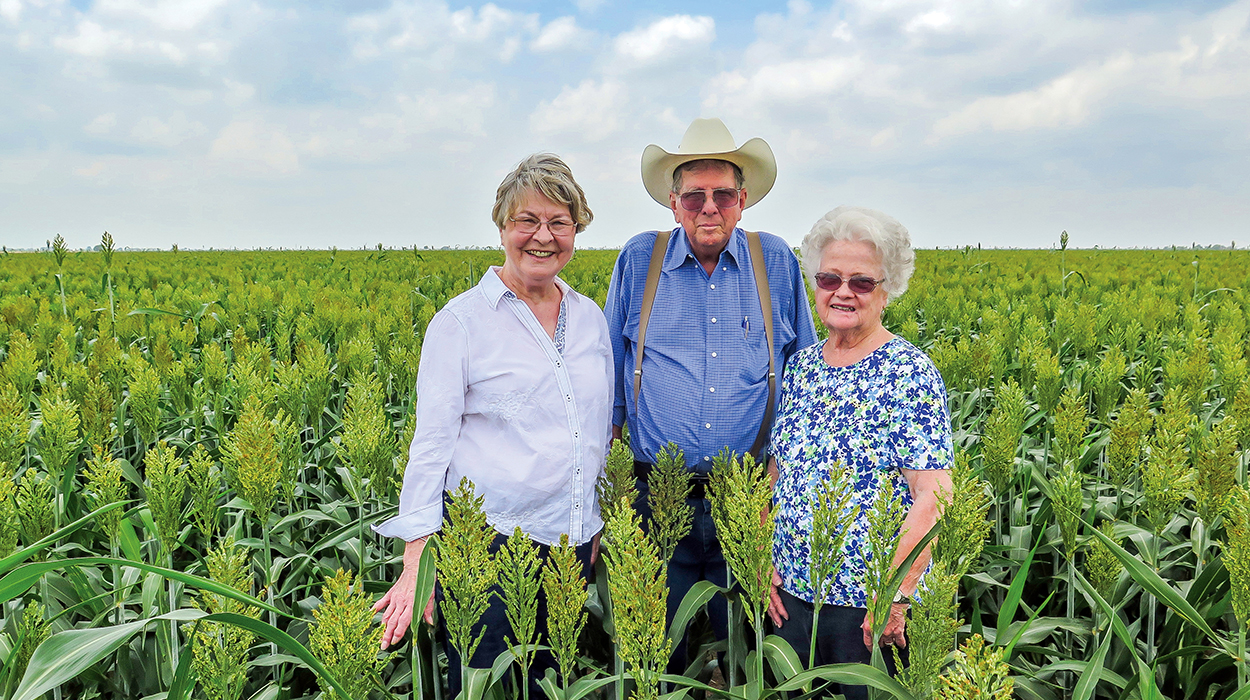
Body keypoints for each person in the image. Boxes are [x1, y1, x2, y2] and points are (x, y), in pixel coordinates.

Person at [372, 153, 612, 695]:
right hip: (486, 547)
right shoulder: (460, 324)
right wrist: (418, 556)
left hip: (570, 548)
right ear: (503, 226)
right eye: (527, 220)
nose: (542, 236)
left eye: (559, 222)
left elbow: (594, 430)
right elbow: (429, 446)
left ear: (577, 229)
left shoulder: (590, 318)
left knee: (556, 683)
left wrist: (590, 518)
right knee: (486, 685)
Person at [604, 118, 818, 673]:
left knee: (748, 654)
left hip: (748, 499)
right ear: (673, 203)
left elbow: (806, 382)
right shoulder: (639, 261)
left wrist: (783, 493)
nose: (709, 208)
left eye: (723, 195)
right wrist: (613, 496)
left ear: (743, 200)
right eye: (694, 196)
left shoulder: (775, 262)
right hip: (657, 498)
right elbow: (609, 383)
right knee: (657, 654)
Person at [765, 205, 954, 700]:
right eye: (830, 278)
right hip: (791, 601)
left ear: (887, 290)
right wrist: (759, 556)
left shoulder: (908, 372)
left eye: (862, 282)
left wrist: (896, 594)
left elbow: (934, 495)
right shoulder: (803, 366)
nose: (843, 292)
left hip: (865, 610)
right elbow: (777, 472)